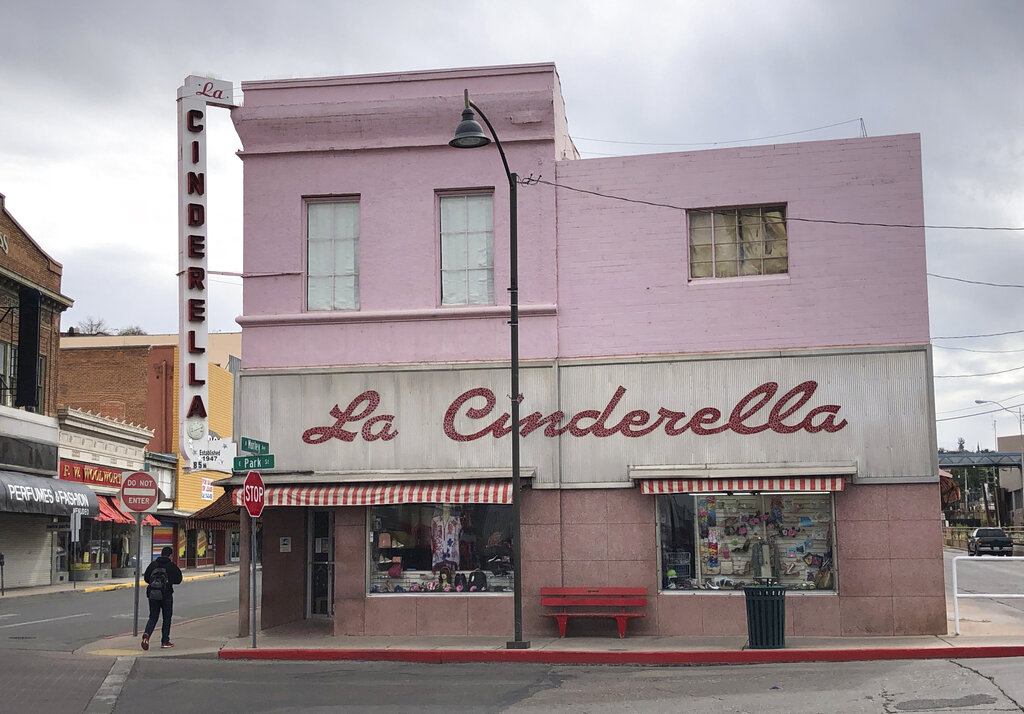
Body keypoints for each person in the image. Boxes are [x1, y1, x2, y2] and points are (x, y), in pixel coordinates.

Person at [141, 546, 183, 650]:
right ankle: (165, 641)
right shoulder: (171, 566)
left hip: (153, 594)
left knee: (153, 617)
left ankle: (147, 634)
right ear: (170, 556)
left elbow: (146, 578)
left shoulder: (153, 564)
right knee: (166, 618)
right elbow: (179, 579)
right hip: (166, 595)